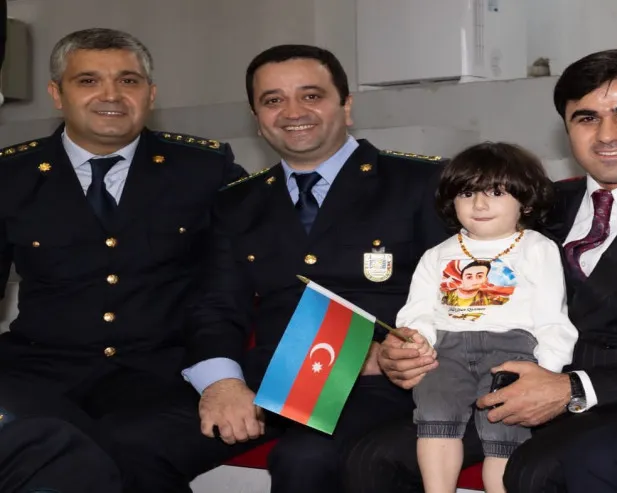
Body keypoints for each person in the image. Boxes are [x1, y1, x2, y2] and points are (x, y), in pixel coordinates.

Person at [345, 48, 617, 493]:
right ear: (567, 128)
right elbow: (450, 282)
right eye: (586, 118)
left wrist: (572, 387)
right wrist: (409, 350)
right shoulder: (538, 204)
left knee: (538, 470)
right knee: (375, 457)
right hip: (496, 381)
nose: (606, 134)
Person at [179, 44, 449, 493]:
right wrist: (221, 384)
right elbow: (216, 307)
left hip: (379, 383)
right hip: (269, 380)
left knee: (305, 459)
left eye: (311, 95)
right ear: (257, 117)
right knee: (135, 443)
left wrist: (403, 351)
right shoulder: (237, 202)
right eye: (273, 100)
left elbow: (462, 296)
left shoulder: (422, 182)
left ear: (346, 105)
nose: (292, 112)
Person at [0, 28, 246, 493]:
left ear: (150, 94)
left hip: (158, 374)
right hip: (38, 372)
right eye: (88, 81)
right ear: (57, 94)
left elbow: (226, 289)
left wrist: (221, 377)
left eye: (128, 81)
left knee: (131, 450)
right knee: (46, 451)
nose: (111, 95)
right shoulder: (11, 175)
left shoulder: (202, 169)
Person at [399, 142, 578, 493]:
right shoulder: (437, 255)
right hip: (446, 350)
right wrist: (417, 340)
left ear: (525, 202)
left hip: (511, 351)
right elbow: (418, 311)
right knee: (434, 418)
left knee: (504, 430)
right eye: (467, 193)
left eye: (496, 193)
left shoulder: (537, 248)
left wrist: (546, 368)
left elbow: (551, 316)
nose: (479, 205)